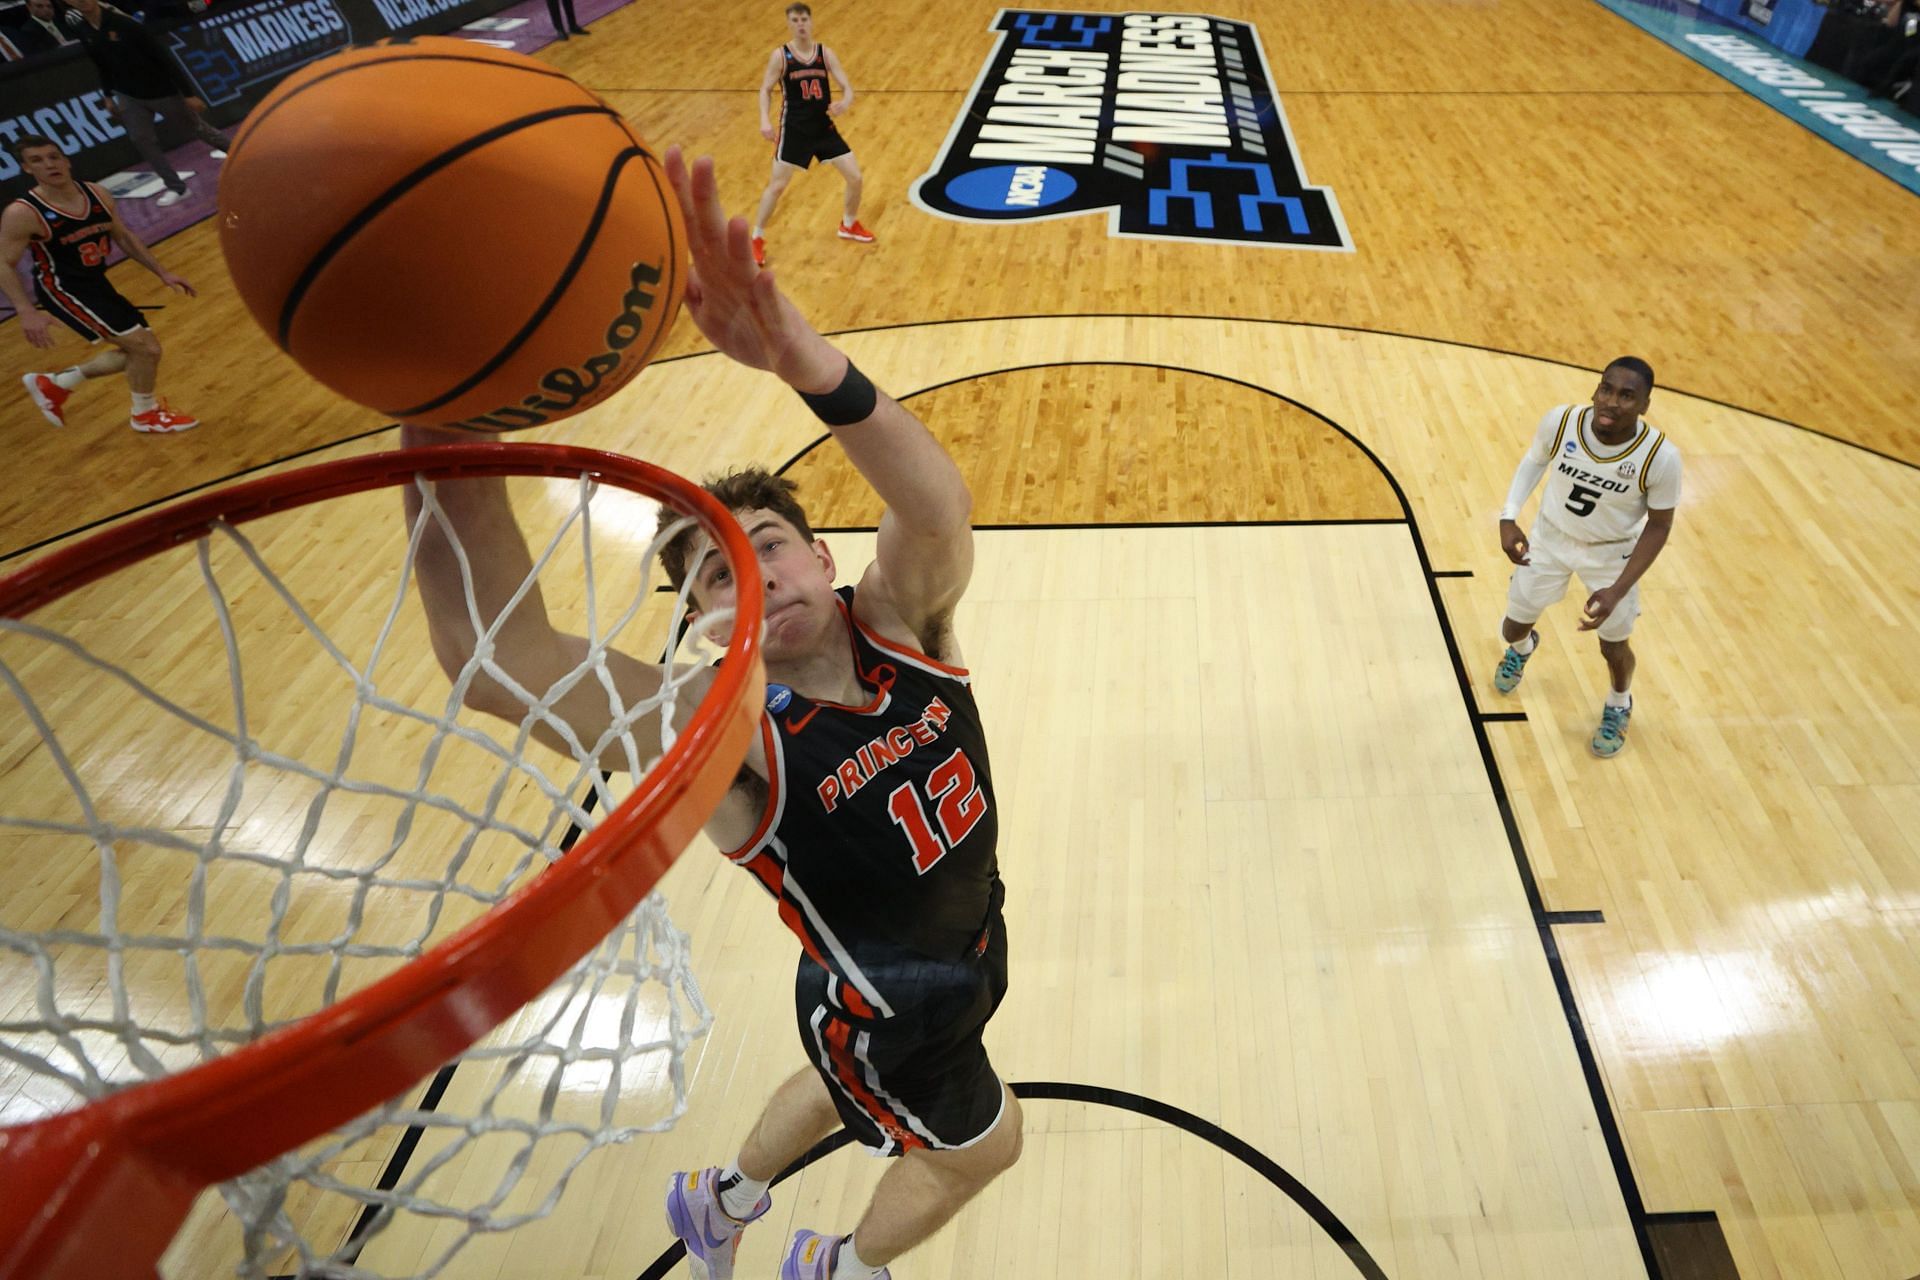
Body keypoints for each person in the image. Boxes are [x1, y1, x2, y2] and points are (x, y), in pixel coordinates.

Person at [399, 147, 1018, 1280]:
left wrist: (801, 357)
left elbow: (937, 507)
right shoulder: (721, 731)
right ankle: (841, 1266)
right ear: (697, 624)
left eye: (762, 547)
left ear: (822, 557)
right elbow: (501, 657)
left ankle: (717, 1198)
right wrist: (445, 420)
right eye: (709, 578)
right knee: (988, 1143)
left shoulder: (907, 626)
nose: (745, 579)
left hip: (930, 958)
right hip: (890, 1005)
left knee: (839, 1084)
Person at [1491, 358, 1682, 757]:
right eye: (1606, 389)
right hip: (1551, 538)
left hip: (1611, 555)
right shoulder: (1561, 422)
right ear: (1595, 389)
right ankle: (1524, 650)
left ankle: (1618, 703)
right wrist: (1508, 517)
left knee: (1613, 646)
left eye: (1627, 396)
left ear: (1645, 405)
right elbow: (1534, 461)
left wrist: (1618, 588)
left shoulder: (1660, 457)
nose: (1611, 402)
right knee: (1511, 629)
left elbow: (1660, 526)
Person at [3, 133, 200, 433]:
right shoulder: (23, 212)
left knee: (141, 351)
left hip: (96, 282)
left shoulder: (96, 193)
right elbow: (3, 262)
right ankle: (144, 415)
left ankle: (55, 384)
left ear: (66, 160)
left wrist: (162, 272)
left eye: (54, 156)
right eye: (37, 161)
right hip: (62, 289)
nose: (49, 164)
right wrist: (25, 310)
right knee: (145, 349)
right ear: (28, 169)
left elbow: (122, 235)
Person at [64, 0, 230, 209]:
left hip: (159, 89)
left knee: (196, 127)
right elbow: (101, 65)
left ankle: (236, 151)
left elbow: (163, 58)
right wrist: (107, 95)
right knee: (141, 138)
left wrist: (188, 93)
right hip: (127, 95)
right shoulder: (84, 31)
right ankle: (177, 187)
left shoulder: (124, 24)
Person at [750, 2, 873, 267]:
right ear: (789, 24)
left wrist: (845, 102)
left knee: (855, 177)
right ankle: (756, 237)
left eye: (804, 19)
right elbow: (765, 89)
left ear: (811, 21)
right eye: (795, 20)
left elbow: (847, 86)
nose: (800, 24)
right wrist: (763, 119)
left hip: (823, 128)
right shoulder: (781, 56)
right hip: (794, 131)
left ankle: (848, 224)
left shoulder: (825, 54)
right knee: (778, 186)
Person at [3, 0, 75, 58]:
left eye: (49, 6)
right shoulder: (28, 30)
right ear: (29, 7)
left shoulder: (62, 21)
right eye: (39, 6)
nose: (46, 10)